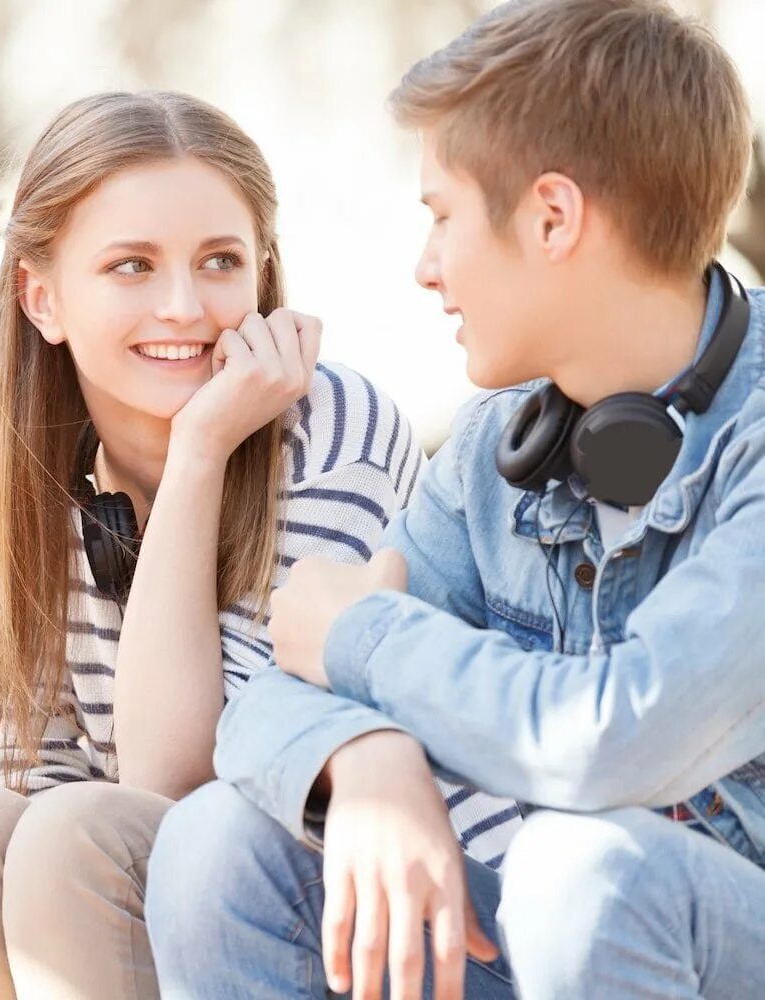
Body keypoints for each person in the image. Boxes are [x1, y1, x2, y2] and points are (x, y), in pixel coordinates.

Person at [145, 3, 764, 998]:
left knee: (581, 873)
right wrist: (367, 754)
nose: (424, 266)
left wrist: (371, 638)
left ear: (552, 217)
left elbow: (614, 739)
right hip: (572, 940)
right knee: (217, 843)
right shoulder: (498, 445)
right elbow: (267, 707)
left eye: (440, 214)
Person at [0, 90, 511, 1000]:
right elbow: (25, 770)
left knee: (76, 835)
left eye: (219, 262)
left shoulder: (333, 430)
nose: (184, 307)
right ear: (42, 298)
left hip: (370, 914)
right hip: (160, 894)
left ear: (262, 276)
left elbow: (191, 782)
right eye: (132, 266)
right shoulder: (23, 466)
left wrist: (201, 453)